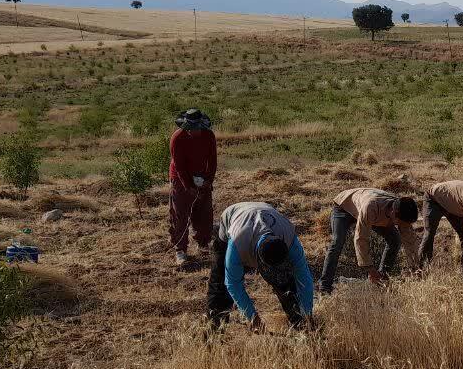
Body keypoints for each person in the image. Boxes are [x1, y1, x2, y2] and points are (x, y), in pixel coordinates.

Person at [207, 202, 314, 332]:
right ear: (259, 263)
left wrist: (307, 313)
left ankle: (300, 325)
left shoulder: (289, 238)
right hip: (233, 218)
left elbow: (304, 278)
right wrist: (252, 317)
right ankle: (215, 331)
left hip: (265, 214)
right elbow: (232, 283)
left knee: (287, 284)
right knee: (220, 285)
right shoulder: (237, 245)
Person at [319, 188, 420, 293]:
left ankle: (382, 280)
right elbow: (361, 239)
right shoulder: (371, 207)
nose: (402, 226)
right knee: (338, 242)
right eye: (400, 223)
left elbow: (410, 241)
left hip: (370, 212)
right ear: (393, 213)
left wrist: (416, 267)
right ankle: (325, 286)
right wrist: (370, 269)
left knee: (395, 240)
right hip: (344, 207)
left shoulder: (402, 210)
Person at [169, 109, 217, 265]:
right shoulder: (178, 138)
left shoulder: (209, 136)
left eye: (196, 128)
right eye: (190, 128)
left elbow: (213, 160)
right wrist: (187, 186)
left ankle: (203, 243)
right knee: (180, 214)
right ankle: (180, 250)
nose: (194, 131)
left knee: (204, 212)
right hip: (180, 178)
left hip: (202, 176)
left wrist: (209, 180)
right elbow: (179, 166)